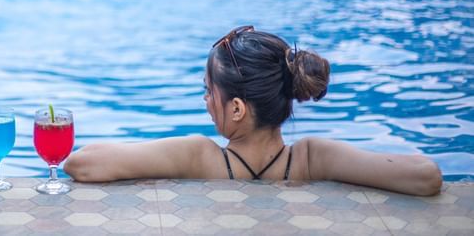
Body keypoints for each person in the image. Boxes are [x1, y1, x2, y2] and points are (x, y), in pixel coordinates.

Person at [64, 26, 443, 196]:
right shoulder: (313, 159)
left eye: (209, 92)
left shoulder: (199, 158)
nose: (206, 102)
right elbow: (425, 176)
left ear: (238, 108)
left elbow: (83, 163)